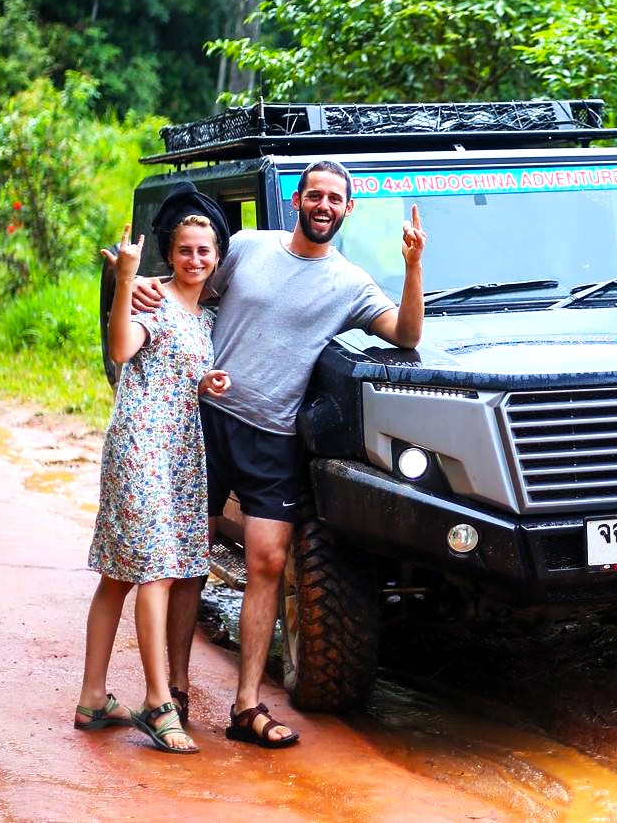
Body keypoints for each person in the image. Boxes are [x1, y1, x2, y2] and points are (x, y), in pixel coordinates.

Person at [132, 160, 426, 748]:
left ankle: (246, 705)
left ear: (347, 210)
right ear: (296, 200)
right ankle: (178, 692)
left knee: (268, 561)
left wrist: (413, 266)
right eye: (313, 194)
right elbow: (192, 288)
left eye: (334, 199)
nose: (323, 205)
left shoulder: (351, 282)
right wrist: (144, 285)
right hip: (207, 417)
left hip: (274, 436)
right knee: (190, 553)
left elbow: (408, 334)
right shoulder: (246, 246)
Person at [76, 190, 232, 754]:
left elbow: (176, 371)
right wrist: (124, 282)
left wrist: (205, 382)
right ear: (171, 252)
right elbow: (121, 349)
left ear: (217, 256)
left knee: (119, 572)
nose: (195, 259)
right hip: (141, 442)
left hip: (179, 451)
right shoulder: (151, 298)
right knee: (157, 570)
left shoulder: (206, 316)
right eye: (186, 250)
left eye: (205, 251)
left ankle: (93, 696)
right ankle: (158, 701)